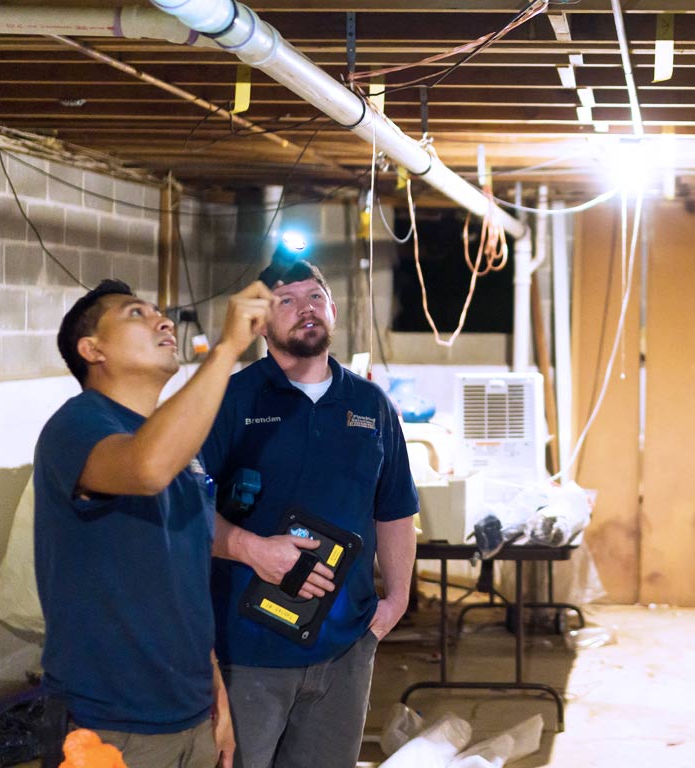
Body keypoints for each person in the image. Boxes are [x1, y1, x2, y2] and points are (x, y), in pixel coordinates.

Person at [34, 278, 275, 768]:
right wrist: (228, 348)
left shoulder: (179, 451)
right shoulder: (77, 425)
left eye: (159, 312)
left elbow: (183, 582)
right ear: (92, 349)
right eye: (136, 314)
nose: (163, 321)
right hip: (107, 726)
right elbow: (144, 468)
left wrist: (216, 695)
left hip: (190, 719)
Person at [203, 259, 418, 768]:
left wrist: (397, 602)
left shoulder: (370, 405)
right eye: (287, 300)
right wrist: (252, 549)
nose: (306, 309)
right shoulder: (229, 399)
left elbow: (394, 510)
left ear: (334, 311)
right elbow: (182, 510)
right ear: (262, 322)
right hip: (247, 650)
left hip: (346, 647)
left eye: (315, 297)